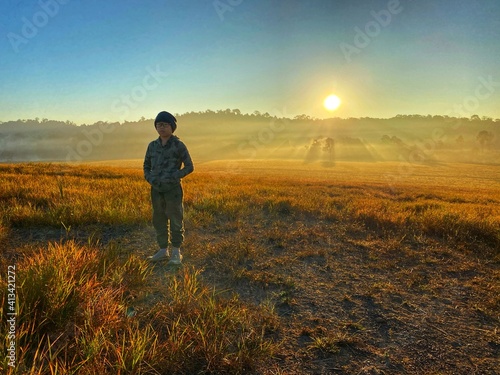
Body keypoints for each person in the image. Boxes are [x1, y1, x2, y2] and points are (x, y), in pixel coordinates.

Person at [143, 111, 194, 264]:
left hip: (173, 190)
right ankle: (163, 250)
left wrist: (175, 176)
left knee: (176, 219)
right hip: (156, 189)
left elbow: (190, 166)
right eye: (159, 125)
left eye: (165, 125)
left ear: (172, 127)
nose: (162, 128)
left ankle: (176, 252)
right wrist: (150, 178)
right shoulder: (152, 146)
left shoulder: (178, 145)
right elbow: (146, 166)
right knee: (158, 219)